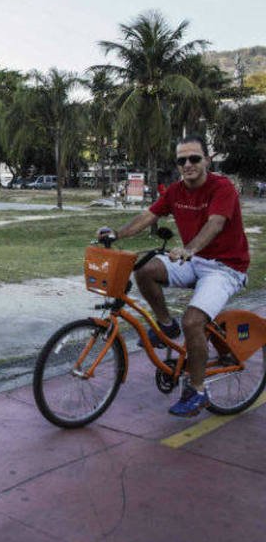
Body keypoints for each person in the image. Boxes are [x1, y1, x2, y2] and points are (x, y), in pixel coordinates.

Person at [98, 134, 249, 417]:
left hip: (225, 267)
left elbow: (215, 224)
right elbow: (148, 216)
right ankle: (167, 325)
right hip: (194, 259)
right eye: (182, 160)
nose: (188, 164)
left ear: (206, 159)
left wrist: (189, 249)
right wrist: (117, 233)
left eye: (194, 158)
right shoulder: (176, 191)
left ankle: (198, 390)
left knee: (193, 321)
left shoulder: (222, 188)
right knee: (144, 269)